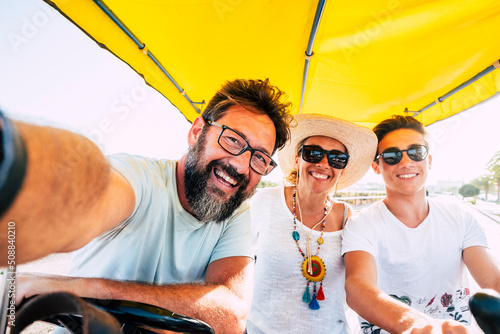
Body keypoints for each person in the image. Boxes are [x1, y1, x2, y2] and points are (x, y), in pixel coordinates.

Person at [1, 78, 294, 333]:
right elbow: (88, 195)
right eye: (233, 139)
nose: (242, 166)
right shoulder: (139, 177)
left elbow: (231, 314)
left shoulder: (235, 209)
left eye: (259, 158)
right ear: (196, 133)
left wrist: (94, 289)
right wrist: (14, 162)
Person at [342, 115, 500, 333]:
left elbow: (493, 279)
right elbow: (357, 286)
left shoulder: (460, 218)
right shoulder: (361, 224)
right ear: (376, 166)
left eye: (416, 152)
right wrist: (414, 324)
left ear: (430, 160)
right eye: (391, 155)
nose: (406, 162)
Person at [247, 113, 377, 333]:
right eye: (313, 153)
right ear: (298, 159)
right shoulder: (264, 202)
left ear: (342, 169)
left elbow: (363, 284)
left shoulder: (348, 218)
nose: (324, 163)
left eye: (337, 158)